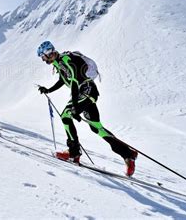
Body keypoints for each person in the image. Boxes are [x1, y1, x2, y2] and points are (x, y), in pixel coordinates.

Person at [36, 40, 138, 176]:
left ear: (48, 53)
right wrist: (48, 90)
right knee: (97, 128)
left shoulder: (66, 59)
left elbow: (73, 82)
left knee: (66, 116)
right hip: (87, 93)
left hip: (85, 91)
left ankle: (73, 153)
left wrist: (76, 107)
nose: (43, 60)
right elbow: (63, 80)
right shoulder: (59, 64)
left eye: (43, 57)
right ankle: (128, 154)